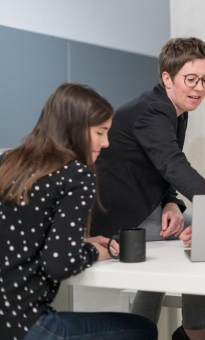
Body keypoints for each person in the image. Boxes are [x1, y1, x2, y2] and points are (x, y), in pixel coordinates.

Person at [0, 83, 158, 340]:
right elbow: (60, 264)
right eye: (100, 132)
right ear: (75, 129)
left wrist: (78, 242)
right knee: (143, 330)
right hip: (25, 325)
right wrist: (98, 250)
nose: (106, 143)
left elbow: (22, 237)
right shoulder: (75, 174)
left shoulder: (8, 163)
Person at [89, 37, 205, 340]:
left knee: (193, 230)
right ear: (167, 78)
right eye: (191, 79)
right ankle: (193, 328)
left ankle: (175, 328)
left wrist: (170, 203)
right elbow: (173, 165)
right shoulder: (155, 111)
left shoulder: (174, 108)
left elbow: (158, 165)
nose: (199, 88)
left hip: (143, 207)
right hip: (113, 218)